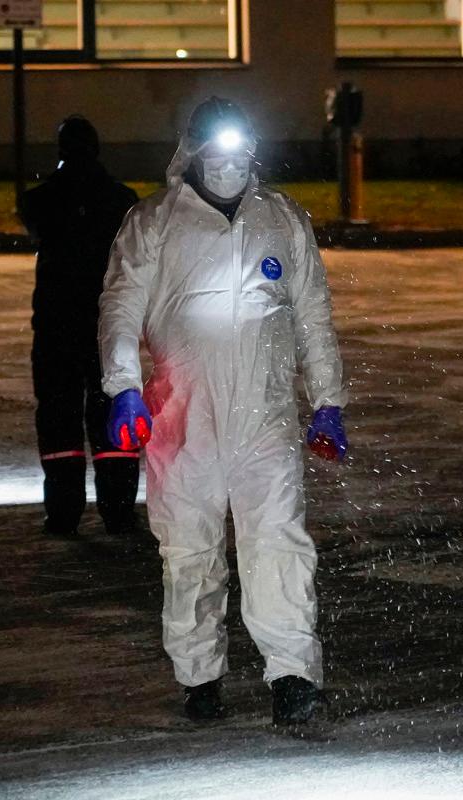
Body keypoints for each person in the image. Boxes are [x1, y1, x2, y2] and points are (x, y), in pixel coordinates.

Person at [100, 97, 349, 725]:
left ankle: (294, 680)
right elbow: (121, 307)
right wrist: (124, 385)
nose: (229, 161)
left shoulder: (281, 219)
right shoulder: (153, 223)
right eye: (217, 147)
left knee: (279, 545)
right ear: (195, 150)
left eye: (240, 148)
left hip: (265, 418)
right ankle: (199, 674)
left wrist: (327, 400)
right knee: (190, 550)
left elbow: (312, 313)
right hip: (184, 418)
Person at [19, 115, 140, 538]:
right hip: (105, 324)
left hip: (55, 326)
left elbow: (35, 223)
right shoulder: (122, 200)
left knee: (58, 416)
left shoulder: (40, 200)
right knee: (112, 413)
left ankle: (63, 511)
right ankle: (119, 509)